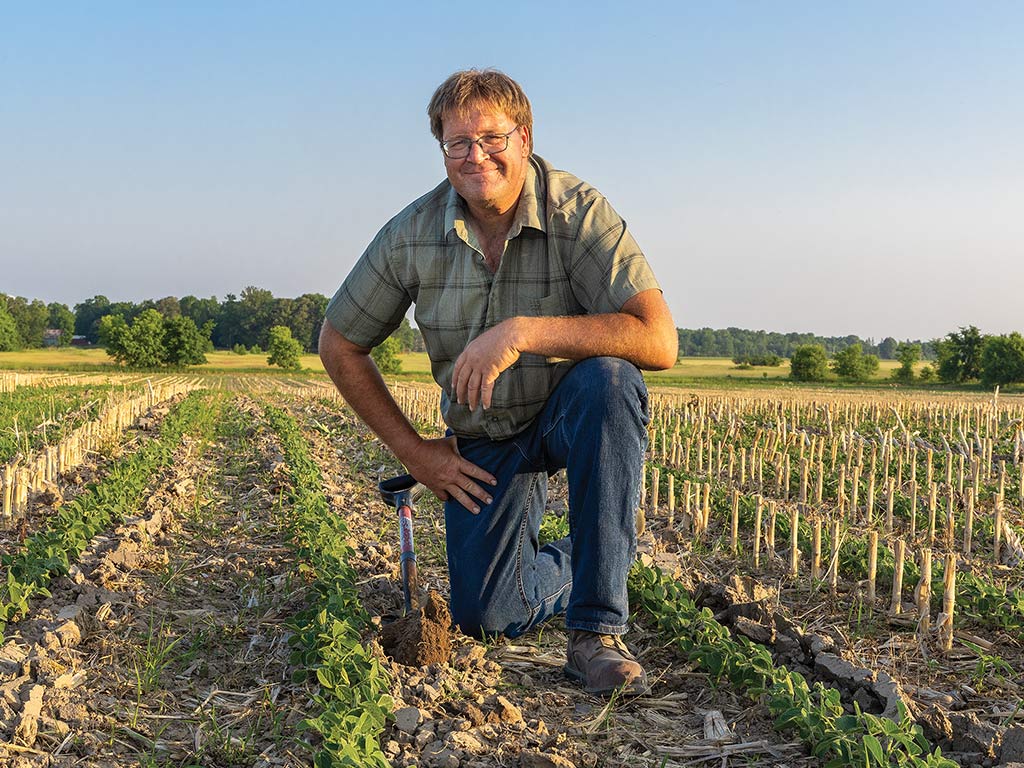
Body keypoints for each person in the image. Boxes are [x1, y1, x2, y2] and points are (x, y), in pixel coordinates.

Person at [320, 69, 677, 696]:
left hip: (568, 411)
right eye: (457, 142)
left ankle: (596, 633)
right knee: (486, 616)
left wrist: (522, 332)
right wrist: (415, 453)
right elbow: (339, 342)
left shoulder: (578, 212)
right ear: (441, 150)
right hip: (486, 435)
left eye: (492, 137)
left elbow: (658, 339)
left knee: (612, 382)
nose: (475, 155)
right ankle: (588, 557)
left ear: (525, 136)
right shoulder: (413, 234)